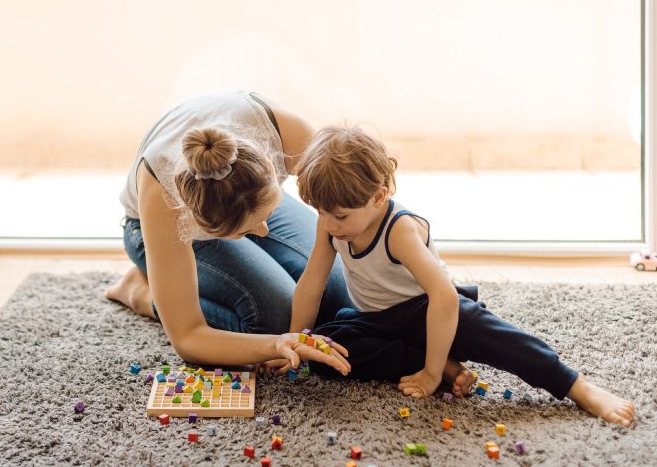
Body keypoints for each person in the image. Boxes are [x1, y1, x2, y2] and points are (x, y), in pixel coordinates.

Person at [286, 124, 636, 426]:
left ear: (378, 197)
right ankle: (440, 365)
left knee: (496, 336)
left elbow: (444, 297)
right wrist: (294, 342)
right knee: (325, 348)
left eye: (340, 216)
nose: (330, 224)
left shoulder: (398, 230)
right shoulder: (330, 225)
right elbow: (312, 284)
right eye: (321, 213)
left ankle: (578, 387)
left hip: (433, 313)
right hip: (377, 320)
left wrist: (430, 375)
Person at [105, 90, 352, 374]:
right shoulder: (165, 201)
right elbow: (188, 337)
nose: (263, 231)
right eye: (244, 233)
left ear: (271, 168)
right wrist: (278, 343)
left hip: (250, 199)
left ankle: (254, 218)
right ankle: (142, 292)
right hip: (152, 229)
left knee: (335, 298)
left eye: (267, 215)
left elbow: (356, 200)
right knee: (273, 319)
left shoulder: (286, 134)